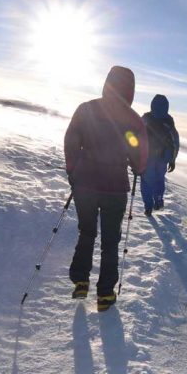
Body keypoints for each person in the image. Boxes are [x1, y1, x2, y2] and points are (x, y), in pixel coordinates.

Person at [64, 66, 148, 311]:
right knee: (111, 241)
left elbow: (71, 141)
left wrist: (73, 170)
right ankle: (105, 294)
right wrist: (137, 167)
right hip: (115, 188)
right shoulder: (132, 119)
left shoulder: (86, 109)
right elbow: (139, 155)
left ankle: (80, 280)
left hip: (85, 184)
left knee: (87, 231)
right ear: (131, 90)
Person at [140, 94, 179, 216]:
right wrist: (172, 160)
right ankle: (158, 200)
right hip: (163, 158)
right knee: (159, 179)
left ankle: (148, 206)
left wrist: (135, 157)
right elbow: (175, 142)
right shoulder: (169, 122)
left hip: (147, 157)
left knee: (146, 181)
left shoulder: (145, 119)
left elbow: (136, 137)